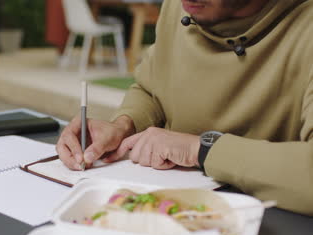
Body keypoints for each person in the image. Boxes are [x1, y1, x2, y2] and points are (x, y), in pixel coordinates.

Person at [57, 0, 313, 216]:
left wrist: (200, 148)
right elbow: (151, 89)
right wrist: (123, 125)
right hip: (168, 215)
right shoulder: (182, 7)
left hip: (268, 224)